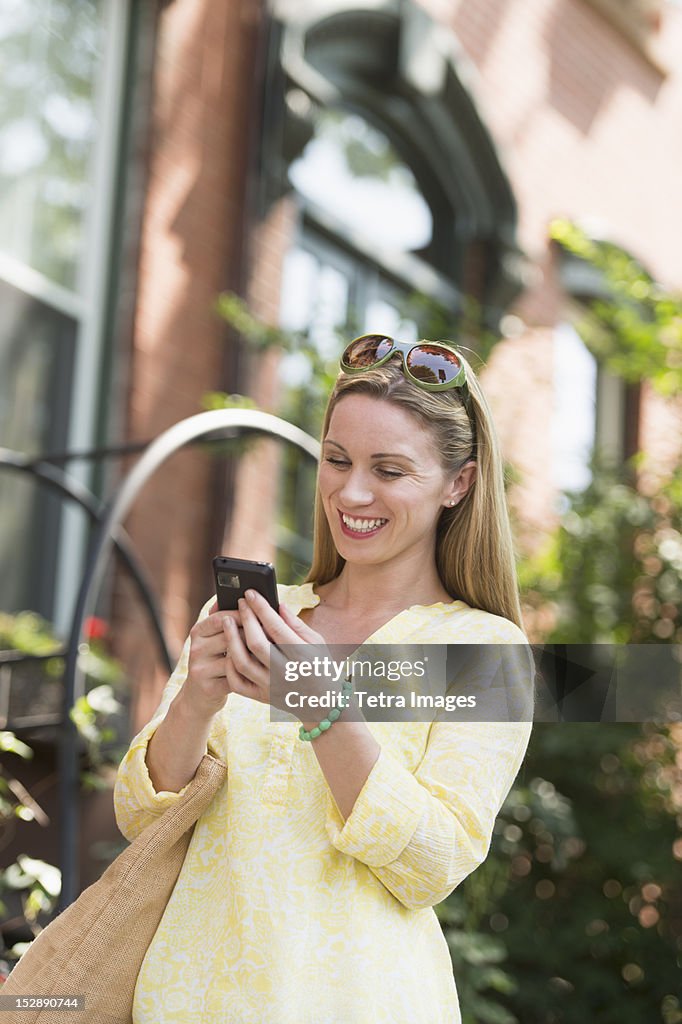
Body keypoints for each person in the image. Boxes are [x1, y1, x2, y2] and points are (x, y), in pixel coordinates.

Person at [113, 333, 534, 1024]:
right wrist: (196, 701)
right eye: (336, 460)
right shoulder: (261, 616)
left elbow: (433, 863)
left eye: (390, 470)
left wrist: (323, 710)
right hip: (184, 1003)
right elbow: (138, 816)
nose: (352, 491)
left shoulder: (483, 650)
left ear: (459, 483)